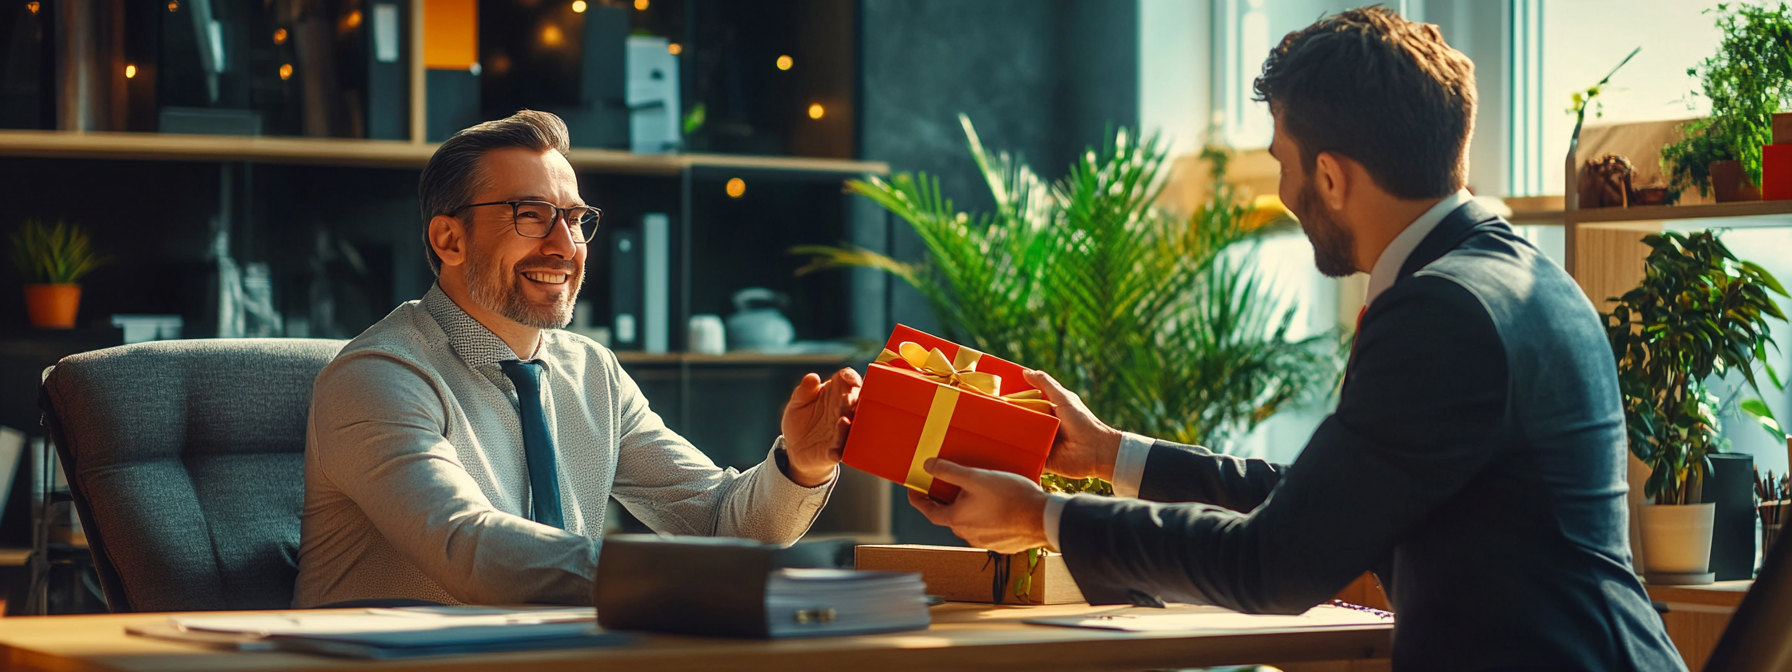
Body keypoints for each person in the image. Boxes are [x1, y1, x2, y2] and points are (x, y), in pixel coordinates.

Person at [905, 8, 1685, 670]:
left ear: (1334, 177)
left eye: (1284, 163)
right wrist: (1110, 455)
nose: (1282, 193)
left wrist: (1041, 518)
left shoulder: (1442, 314)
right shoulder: (1518, 279)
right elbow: (1321, 505)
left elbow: (1274, 563)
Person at [293, 110, 861, 607]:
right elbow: (471, 548)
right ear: (450, 240)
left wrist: (800, 466)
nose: (565, 246)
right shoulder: (376, 377)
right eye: (532, 215)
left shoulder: (593, 373)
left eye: (576, 219)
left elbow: (717, 522)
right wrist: (680, 577)